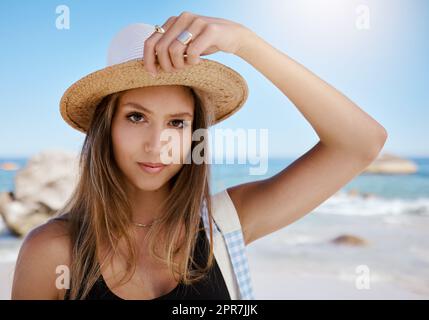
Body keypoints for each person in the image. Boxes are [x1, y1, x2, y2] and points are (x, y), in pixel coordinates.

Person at [11, 11, 387, 300]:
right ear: (106, 126)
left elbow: (361, 143)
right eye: (136, 117)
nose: (157, 143)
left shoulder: (224, 224)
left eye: (177, 122)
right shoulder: (53, 252)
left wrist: (246, 43)